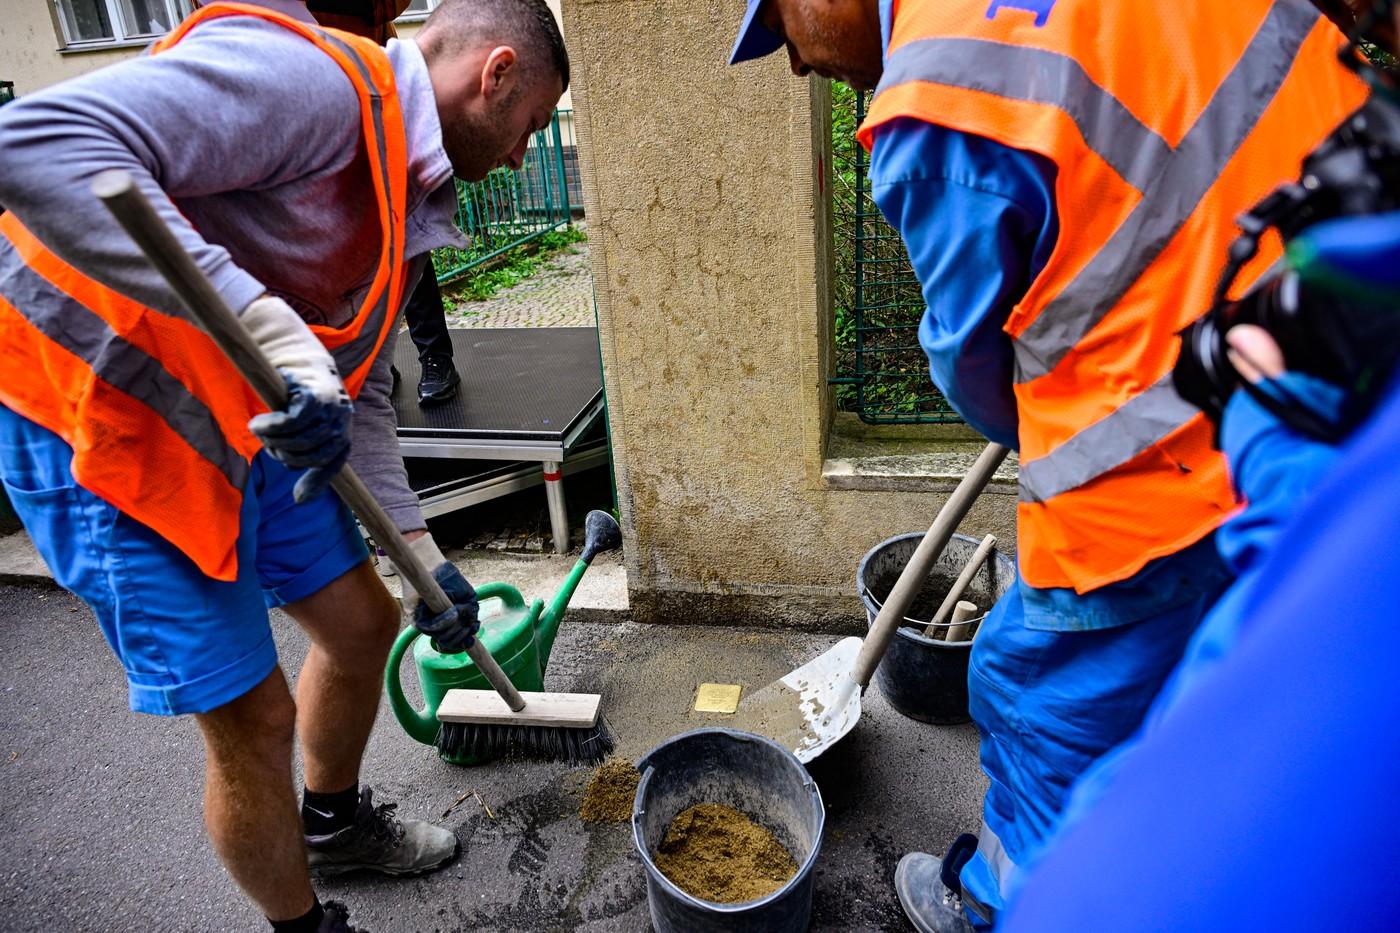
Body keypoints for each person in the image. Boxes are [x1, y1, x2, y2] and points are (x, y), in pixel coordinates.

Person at [728, 1, 1367, 929]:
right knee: (1221, 680)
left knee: (1031, 688)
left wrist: (1041, 409)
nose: (794, 64)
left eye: (781, 27)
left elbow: (969, 357)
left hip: (1188, 439)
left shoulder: (939, 91)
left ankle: (999, 904)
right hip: (1348, 343)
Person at [0, 1, 567, 930]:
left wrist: (423, 555)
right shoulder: (313, 88)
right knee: (252, 721)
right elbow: (33, 140)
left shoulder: (406, 200)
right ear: (494, 74)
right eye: (532, 127)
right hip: (106, 419)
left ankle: (334, 826)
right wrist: (263, 322)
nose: (521, 155)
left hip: (255, 413)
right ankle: (301, 923)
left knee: (361, 622)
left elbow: (366, 393)